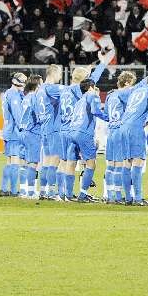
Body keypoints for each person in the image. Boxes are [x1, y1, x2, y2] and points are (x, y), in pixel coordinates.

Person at [57, 57, 109, 201]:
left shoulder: (64, 91)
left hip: (65, 129)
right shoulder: (80, 91)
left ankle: (64, 194)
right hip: (79, 128)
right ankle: (82, 193)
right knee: (86, 162)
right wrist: (102, 63)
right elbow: (92, 83)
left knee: (66, 162)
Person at [67, 79, 109, 202]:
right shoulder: (92, 95)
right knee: (91, 164)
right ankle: (83, 195)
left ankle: (68, 195)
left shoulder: (79, 101)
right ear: (91, 87)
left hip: (72, 132)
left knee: (71, 163)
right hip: (83, 133)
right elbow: (96, 111)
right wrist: (110, 118)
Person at [104, 72, 133, 203]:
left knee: (110, 164)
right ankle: (118, 195)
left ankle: (109, 195)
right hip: (120, 132)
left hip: (110, 132)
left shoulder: (110, 96)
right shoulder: (125, 94)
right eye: (131, 84)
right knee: (119, 165)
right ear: (126, 83)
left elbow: (106, 115)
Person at [36, 65, 64, 199]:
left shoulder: (39, 89)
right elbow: (72, 90)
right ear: (54, 73)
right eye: (60, 74)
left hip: (44, 128)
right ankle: (52, 193)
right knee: (54, 160)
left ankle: (42, 191)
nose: (61, 76)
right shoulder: (51, 88)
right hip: (53, 128)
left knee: (46, 161)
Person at [18, 75, 43, 199]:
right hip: (32, 133)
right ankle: (31, 192)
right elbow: (39, 117)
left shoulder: (26, 97)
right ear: (38, 85)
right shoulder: (35, 97)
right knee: (33, 163)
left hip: (23, 132)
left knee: (25, 162)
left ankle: (23, 190)